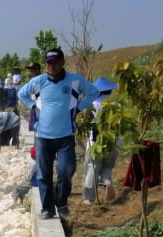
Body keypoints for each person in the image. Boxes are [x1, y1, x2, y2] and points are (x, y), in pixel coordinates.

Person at [17, 48, 100, 220]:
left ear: (62, 62)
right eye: (48, 63)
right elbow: (22, 94)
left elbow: (93, 92)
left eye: (55, 62)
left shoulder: (74, 81)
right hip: (43, 137)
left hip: (65, 136)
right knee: (43, 174)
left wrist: (79, 107)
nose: (51, 66)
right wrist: (33, 106)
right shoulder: (39, 81)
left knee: (67, 170)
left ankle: (61, 202)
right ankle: (47, 208)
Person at [82, 77, 121, 205]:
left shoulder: (91, 106)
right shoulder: (116, 106)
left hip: (95, 143)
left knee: (92, 167)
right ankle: (108, 183)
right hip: (113, 143)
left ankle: (90, 197)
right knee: (107, 166)